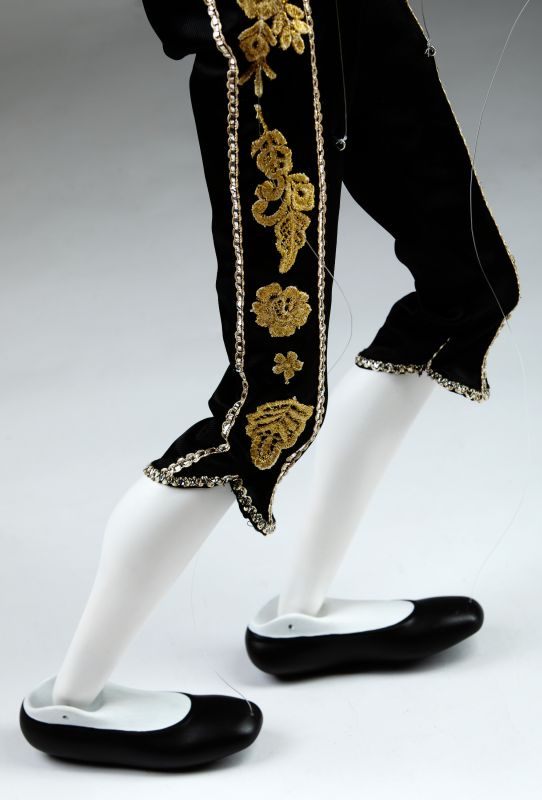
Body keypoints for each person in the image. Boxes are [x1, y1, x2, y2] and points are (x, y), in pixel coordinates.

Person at [20, 0, 520, 770]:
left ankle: (304, 617)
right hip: (266, 17)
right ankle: (73, 699)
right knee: (271, 401)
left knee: (469, 286)